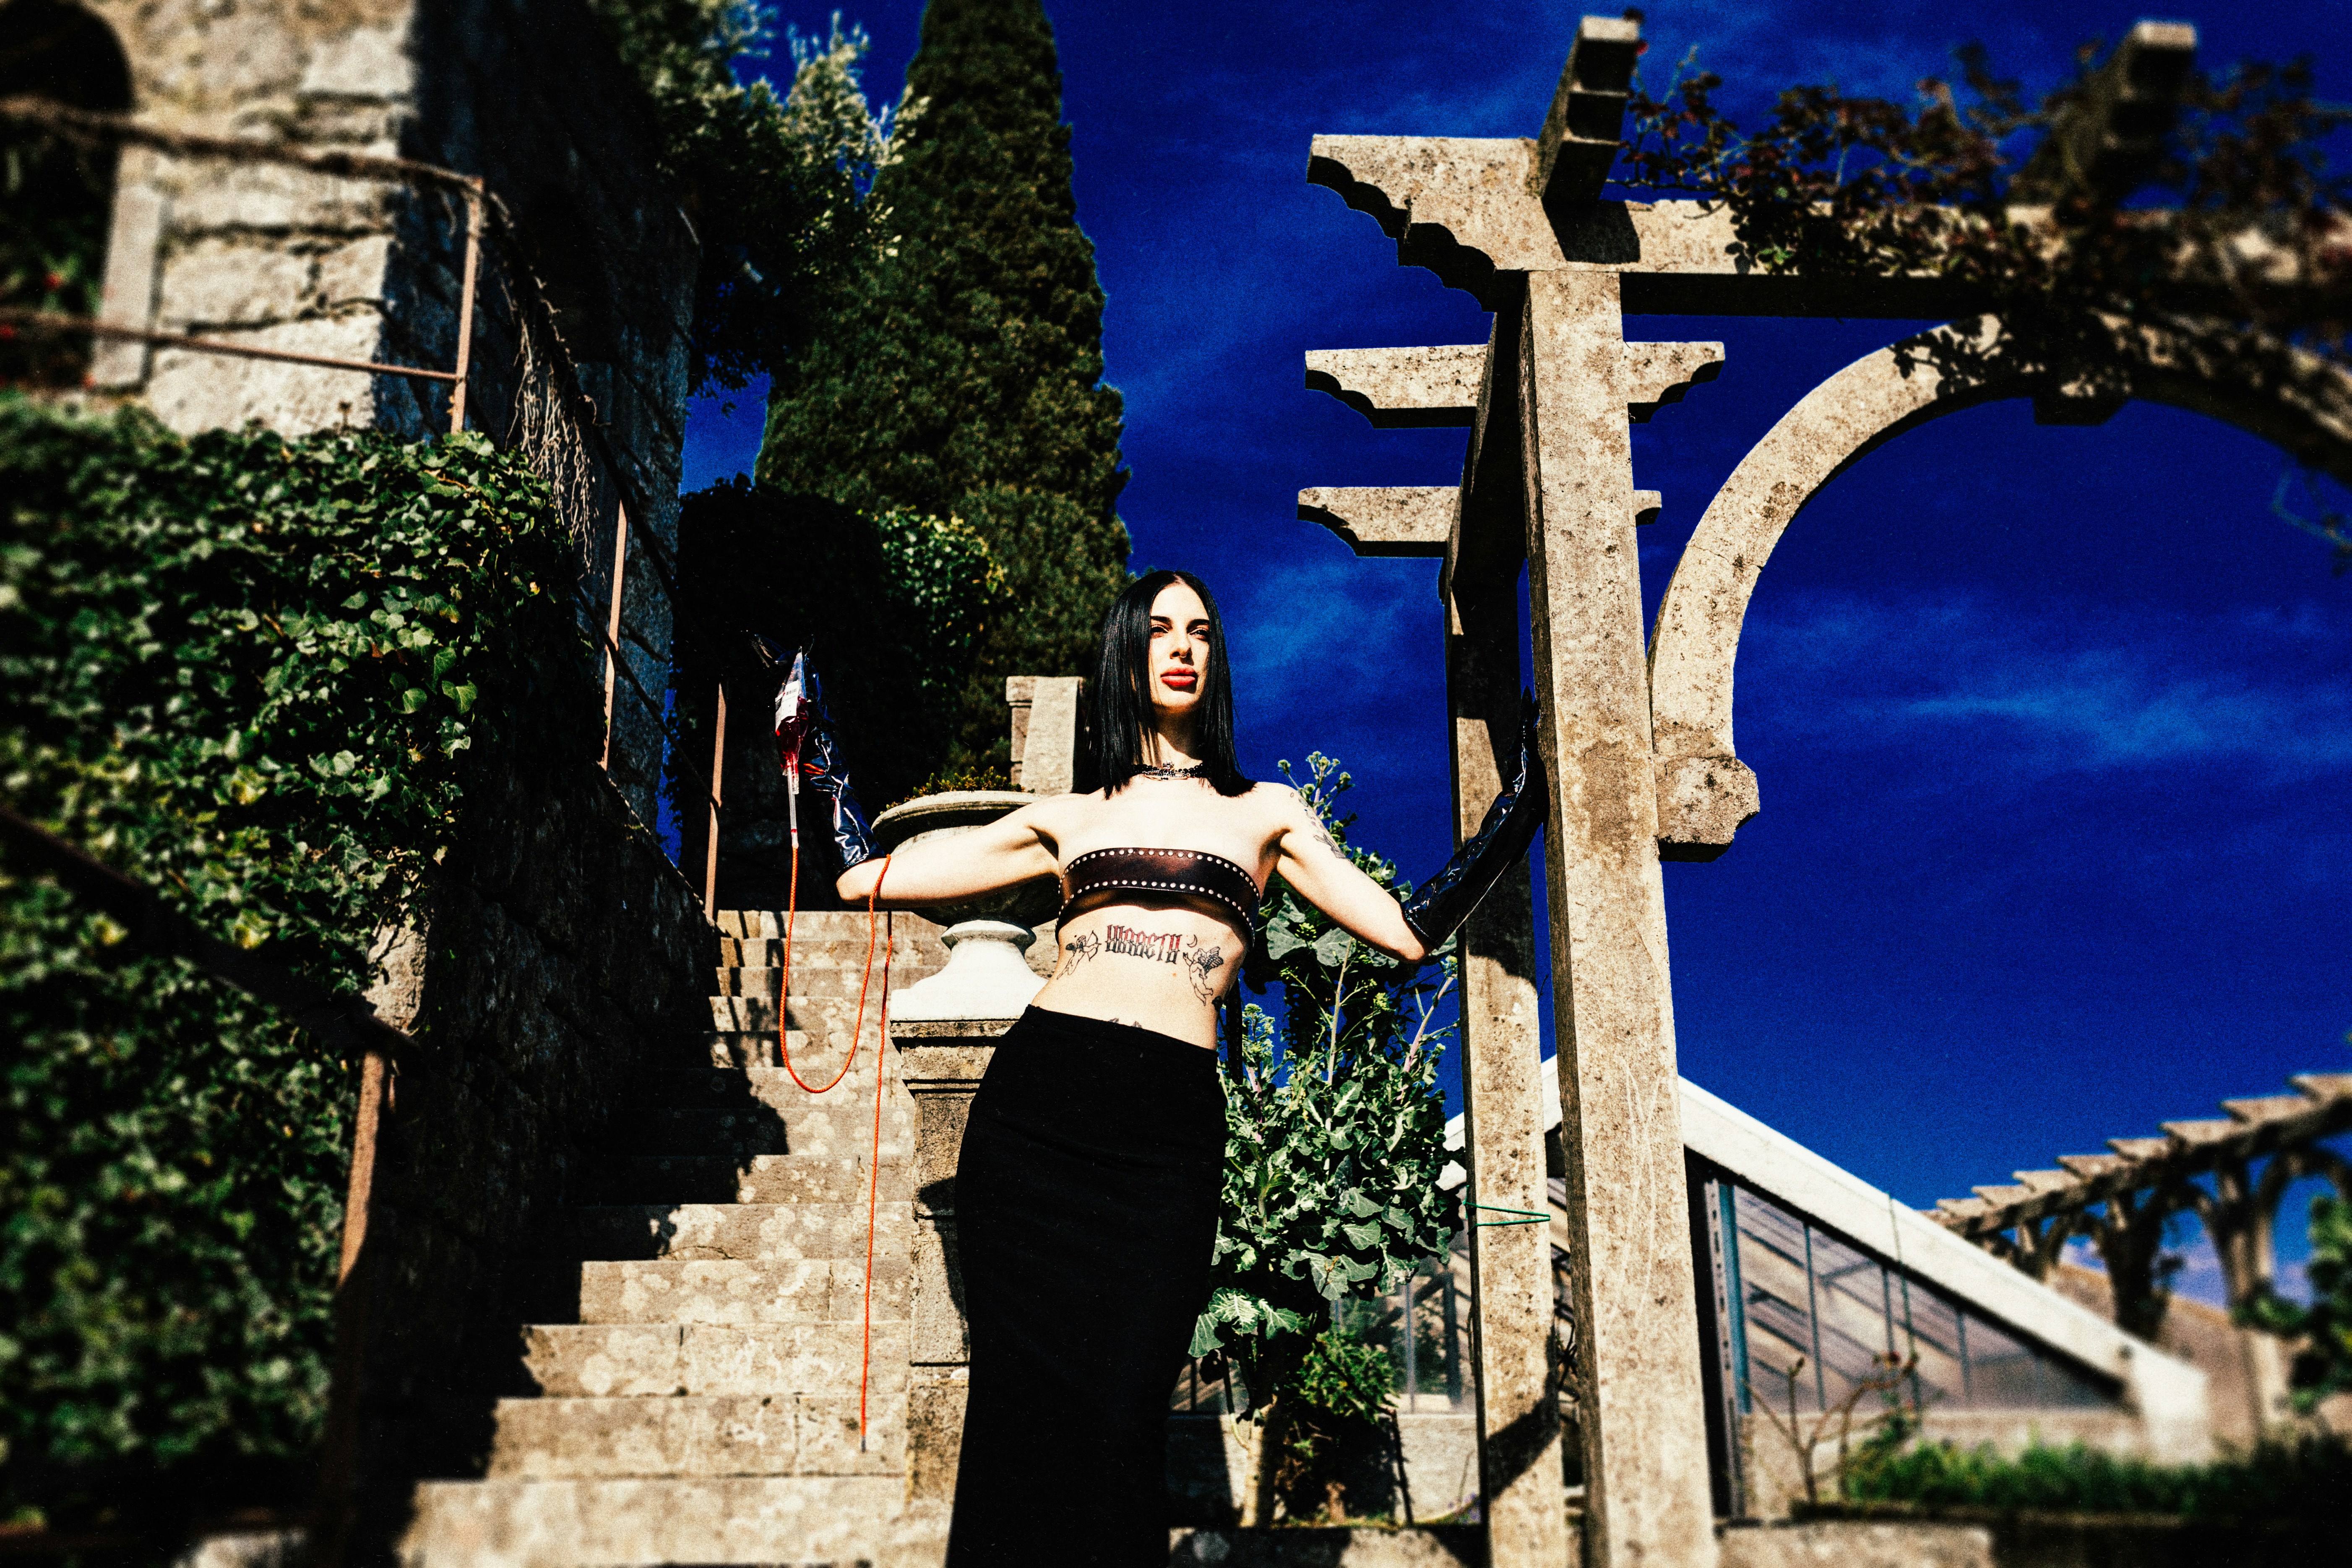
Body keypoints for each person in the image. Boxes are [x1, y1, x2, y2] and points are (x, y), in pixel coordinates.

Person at [790, 569, 1541, 1567]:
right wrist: (813, 755)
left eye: (1198, 630)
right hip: (1039, 1110)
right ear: (1126, 652)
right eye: (1157, 630)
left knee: (1124, 1405)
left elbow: (1403, 933)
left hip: (1163, 1130)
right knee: (1016, 1408)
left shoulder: (1263, 813)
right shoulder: (1066, 815)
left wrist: (1524, 798)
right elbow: (864, 875)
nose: (1180, 645)